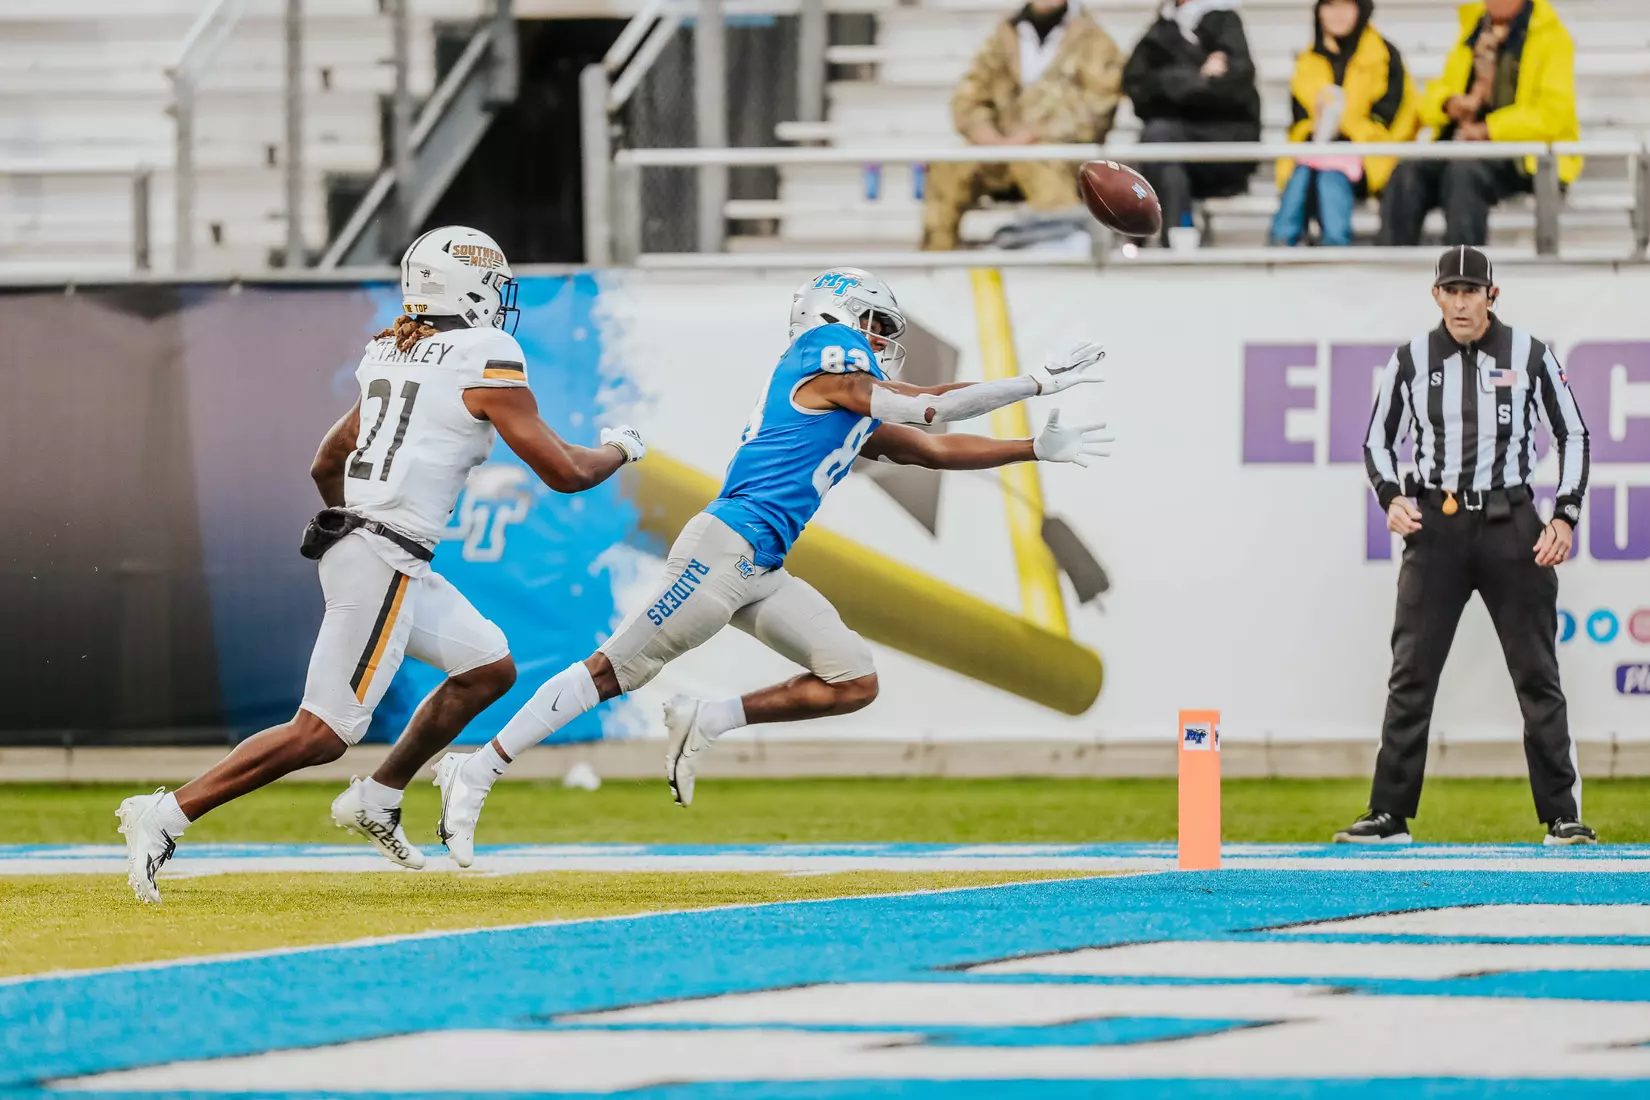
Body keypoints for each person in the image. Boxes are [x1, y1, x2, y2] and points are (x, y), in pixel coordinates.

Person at [429, 268, 1115, 864]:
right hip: (725, 546)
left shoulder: (843, 390)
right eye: (874, 323)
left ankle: (708, 718)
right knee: (616, 670)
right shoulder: (825, 350)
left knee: (852, 680)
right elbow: (929, 407)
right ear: (837, 315)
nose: (881, 340)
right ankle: (477, 769)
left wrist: (1030, 448)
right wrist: (1035, 381)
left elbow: (926, 448)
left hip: (761, 563)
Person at [114, 227, 648, 902]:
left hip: (374, 548)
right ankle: (165, 815)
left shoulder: (395, 349)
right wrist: (621, 449)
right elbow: (567, 472)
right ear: (472, 285)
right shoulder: (485, 351)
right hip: (385, 555)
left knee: (487, 668)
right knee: (323, 732)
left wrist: (354, 517)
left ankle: (379, 795)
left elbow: (326, 461)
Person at [1342, 245, 1594, 846]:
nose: (1460, 302)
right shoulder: (1409, 359)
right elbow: (1378, 441)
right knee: (1411, 674)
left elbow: (1574, 432)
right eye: (1449, 290)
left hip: (1512, 522)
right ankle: (1390, 812)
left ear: (1491, 294)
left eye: (1470, 290)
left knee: (1537, 673)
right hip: (1436, 528)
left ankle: (1561, 813)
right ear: (1435, 296)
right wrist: (1389, 497)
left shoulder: (1530, 354)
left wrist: (1565, 515)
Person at [922, 0, 1124, 251]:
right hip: (998, 148)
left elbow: (1098, 109)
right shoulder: (1003, 36)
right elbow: (968, 97)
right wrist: (986, 134)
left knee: (1042, 165)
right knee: (947, 168)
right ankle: (936, 262)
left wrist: (1035, 134)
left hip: (1059, 154)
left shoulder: (1095, 41)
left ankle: (1058, 261)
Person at [1379, 0, 1580, 247]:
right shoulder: (1472, 32)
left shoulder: (1553, 38)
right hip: (1462, 144)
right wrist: (1449, 104)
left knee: (1465, 173)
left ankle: (1464, 276)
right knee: (1407, 171)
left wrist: (1490, 130)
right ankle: (1393, 265)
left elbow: (1552, 115)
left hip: (1521, 153)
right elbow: (1434, 95)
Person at [1270, 0, 1418, 248]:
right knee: (1305, 171)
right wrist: (1318, 130)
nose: (1337, 14)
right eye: (1329, 5)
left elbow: (1392, 117)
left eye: (1346, 5)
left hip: (1371, 155)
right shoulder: (1308, 58)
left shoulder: (1384, 55)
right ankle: (1282, 244)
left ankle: (1335, 245)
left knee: (1332, 170)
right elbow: (1298, 119)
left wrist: (1346, 132)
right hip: (1315, 151)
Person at [1121, 0, 1261, 247]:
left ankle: (1156, 235)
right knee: (1161, 146)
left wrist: (1170, 86)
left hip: (1225, 147)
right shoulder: (1159, 30)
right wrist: (1198, 77)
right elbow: (1138, 91)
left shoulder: (1226, 22)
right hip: (1171, 150)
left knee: (1156, 140)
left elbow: (1236, 92)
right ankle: (1179, 235)